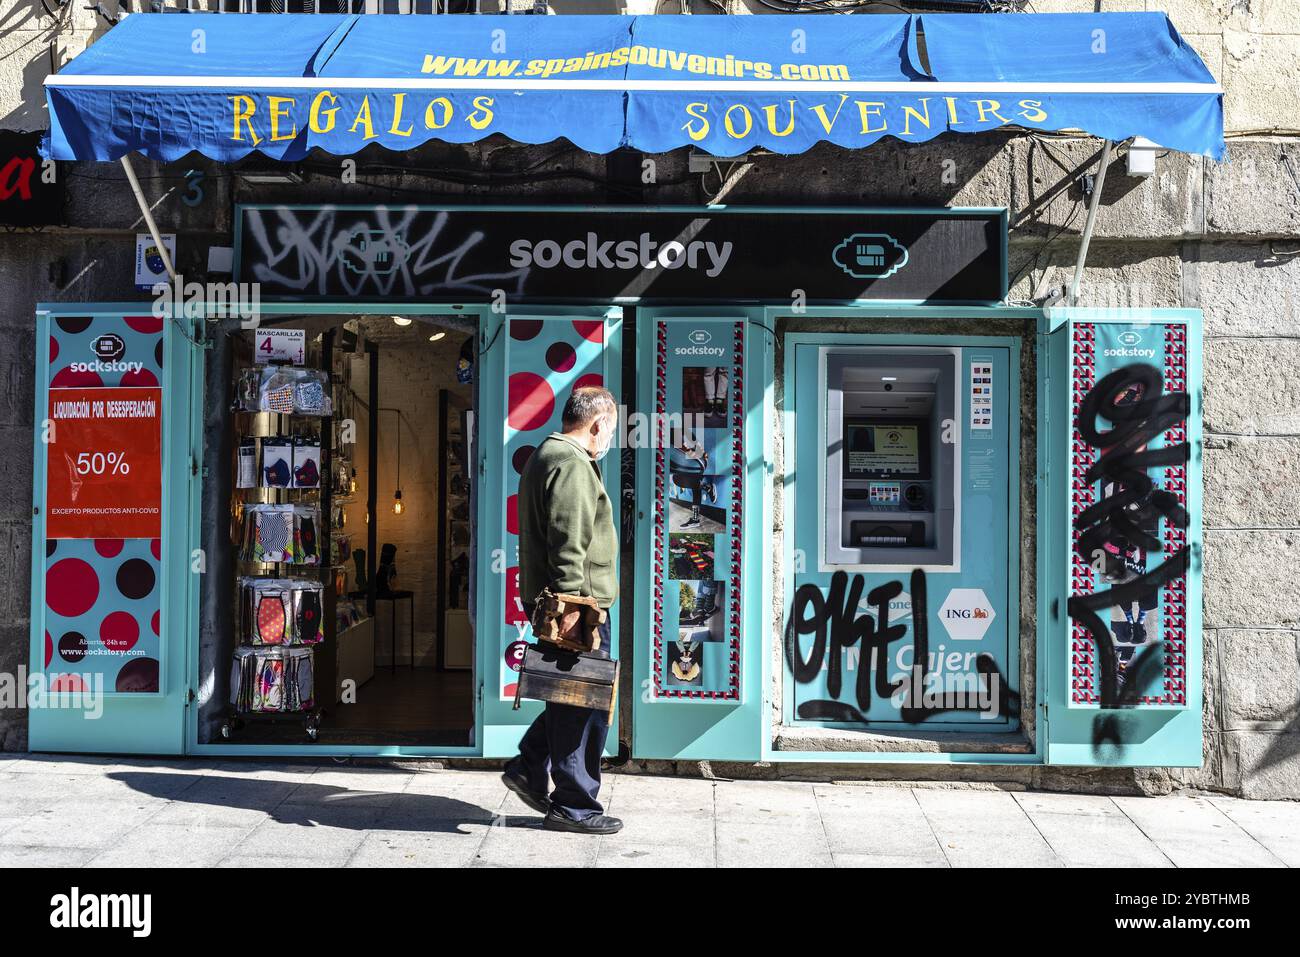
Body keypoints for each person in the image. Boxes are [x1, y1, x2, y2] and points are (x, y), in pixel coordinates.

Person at [502, 386, 624, 835]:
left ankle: (529, 766)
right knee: (583, 706)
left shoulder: (548, 454)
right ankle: (573, 805)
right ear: (597, 424)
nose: (609, 435)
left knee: (567, 693)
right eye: (610, 427)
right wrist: (575, 606)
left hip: (568, 603)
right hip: (579, 608)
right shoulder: (572, 462)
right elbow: (568, 539)